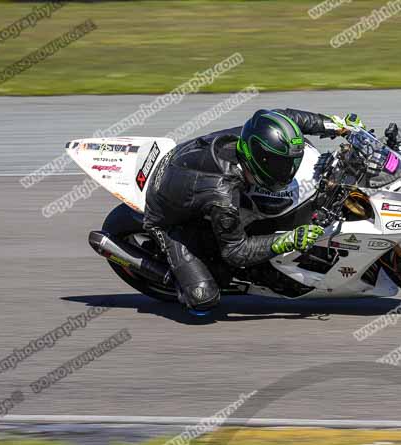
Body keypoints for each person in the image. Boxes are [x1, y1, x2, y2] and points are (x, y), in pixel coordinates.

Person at [143, 109, 363, 314]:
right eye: (280, 164)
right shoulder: (223, 196)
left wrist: (335, 125)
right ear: (259, 158)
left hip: (185, 168)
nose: (287, 170)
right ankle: (179, 279)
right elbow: (236, 252)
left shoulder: (259, 130)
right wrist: (288, 241)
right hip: (164, 215)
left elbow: (288, 118)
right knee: (204, 299)